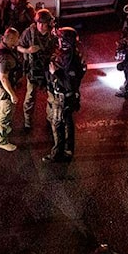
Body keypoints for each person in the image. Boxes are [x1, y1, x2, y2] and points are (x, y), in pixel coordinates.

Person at [42, 27, 86, 163]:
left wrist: (55, 72)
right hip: (66, 97)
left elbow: (69, 84)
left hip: (63, 98)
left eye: (61, 39)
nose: (59, 41)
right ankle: (68, 150)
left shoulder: (70, 60)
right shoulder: (70, 54)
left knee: (58, 125)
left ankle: (57, 154)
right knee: (67, 122)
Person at [17, 8, 58, 131]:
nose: (40, 25)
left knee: (52, 98)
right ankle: (27, 122)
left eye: (43, 23)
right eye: (38, 22)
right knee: (30, 98)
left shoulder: (54, 34)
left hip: (48, 71)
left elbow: (59, 50)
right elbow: (18, 46)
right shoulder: (29, 33)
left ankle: (50, 121)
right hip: (33, 70)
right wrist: (28, 50)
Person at [0, 27, 23, 152]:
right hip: (5, 87)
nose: (18, 41)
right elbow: (4, 78)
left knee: (1, 109)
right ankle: (2, 140)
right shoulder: (6, 58)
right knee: (6, 112)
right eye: (16, 39)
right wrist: (12, 94)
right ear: (9, 39)